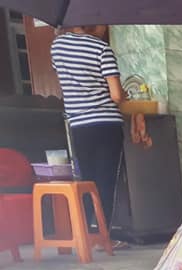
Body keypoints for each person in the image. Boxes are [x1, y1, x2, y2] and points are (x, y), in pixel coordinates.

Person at [50, 25, 124, 234]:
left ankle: (86, 233)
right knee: (106, 180)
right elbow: (116, 95)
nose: (106, 27)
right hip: (107, 123)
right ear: (94, 23)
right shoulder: (102, 49)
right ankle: (103, 234)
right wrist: (123, 94)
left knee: (87, 179)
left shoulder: (58, 46)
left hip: (79, 125)